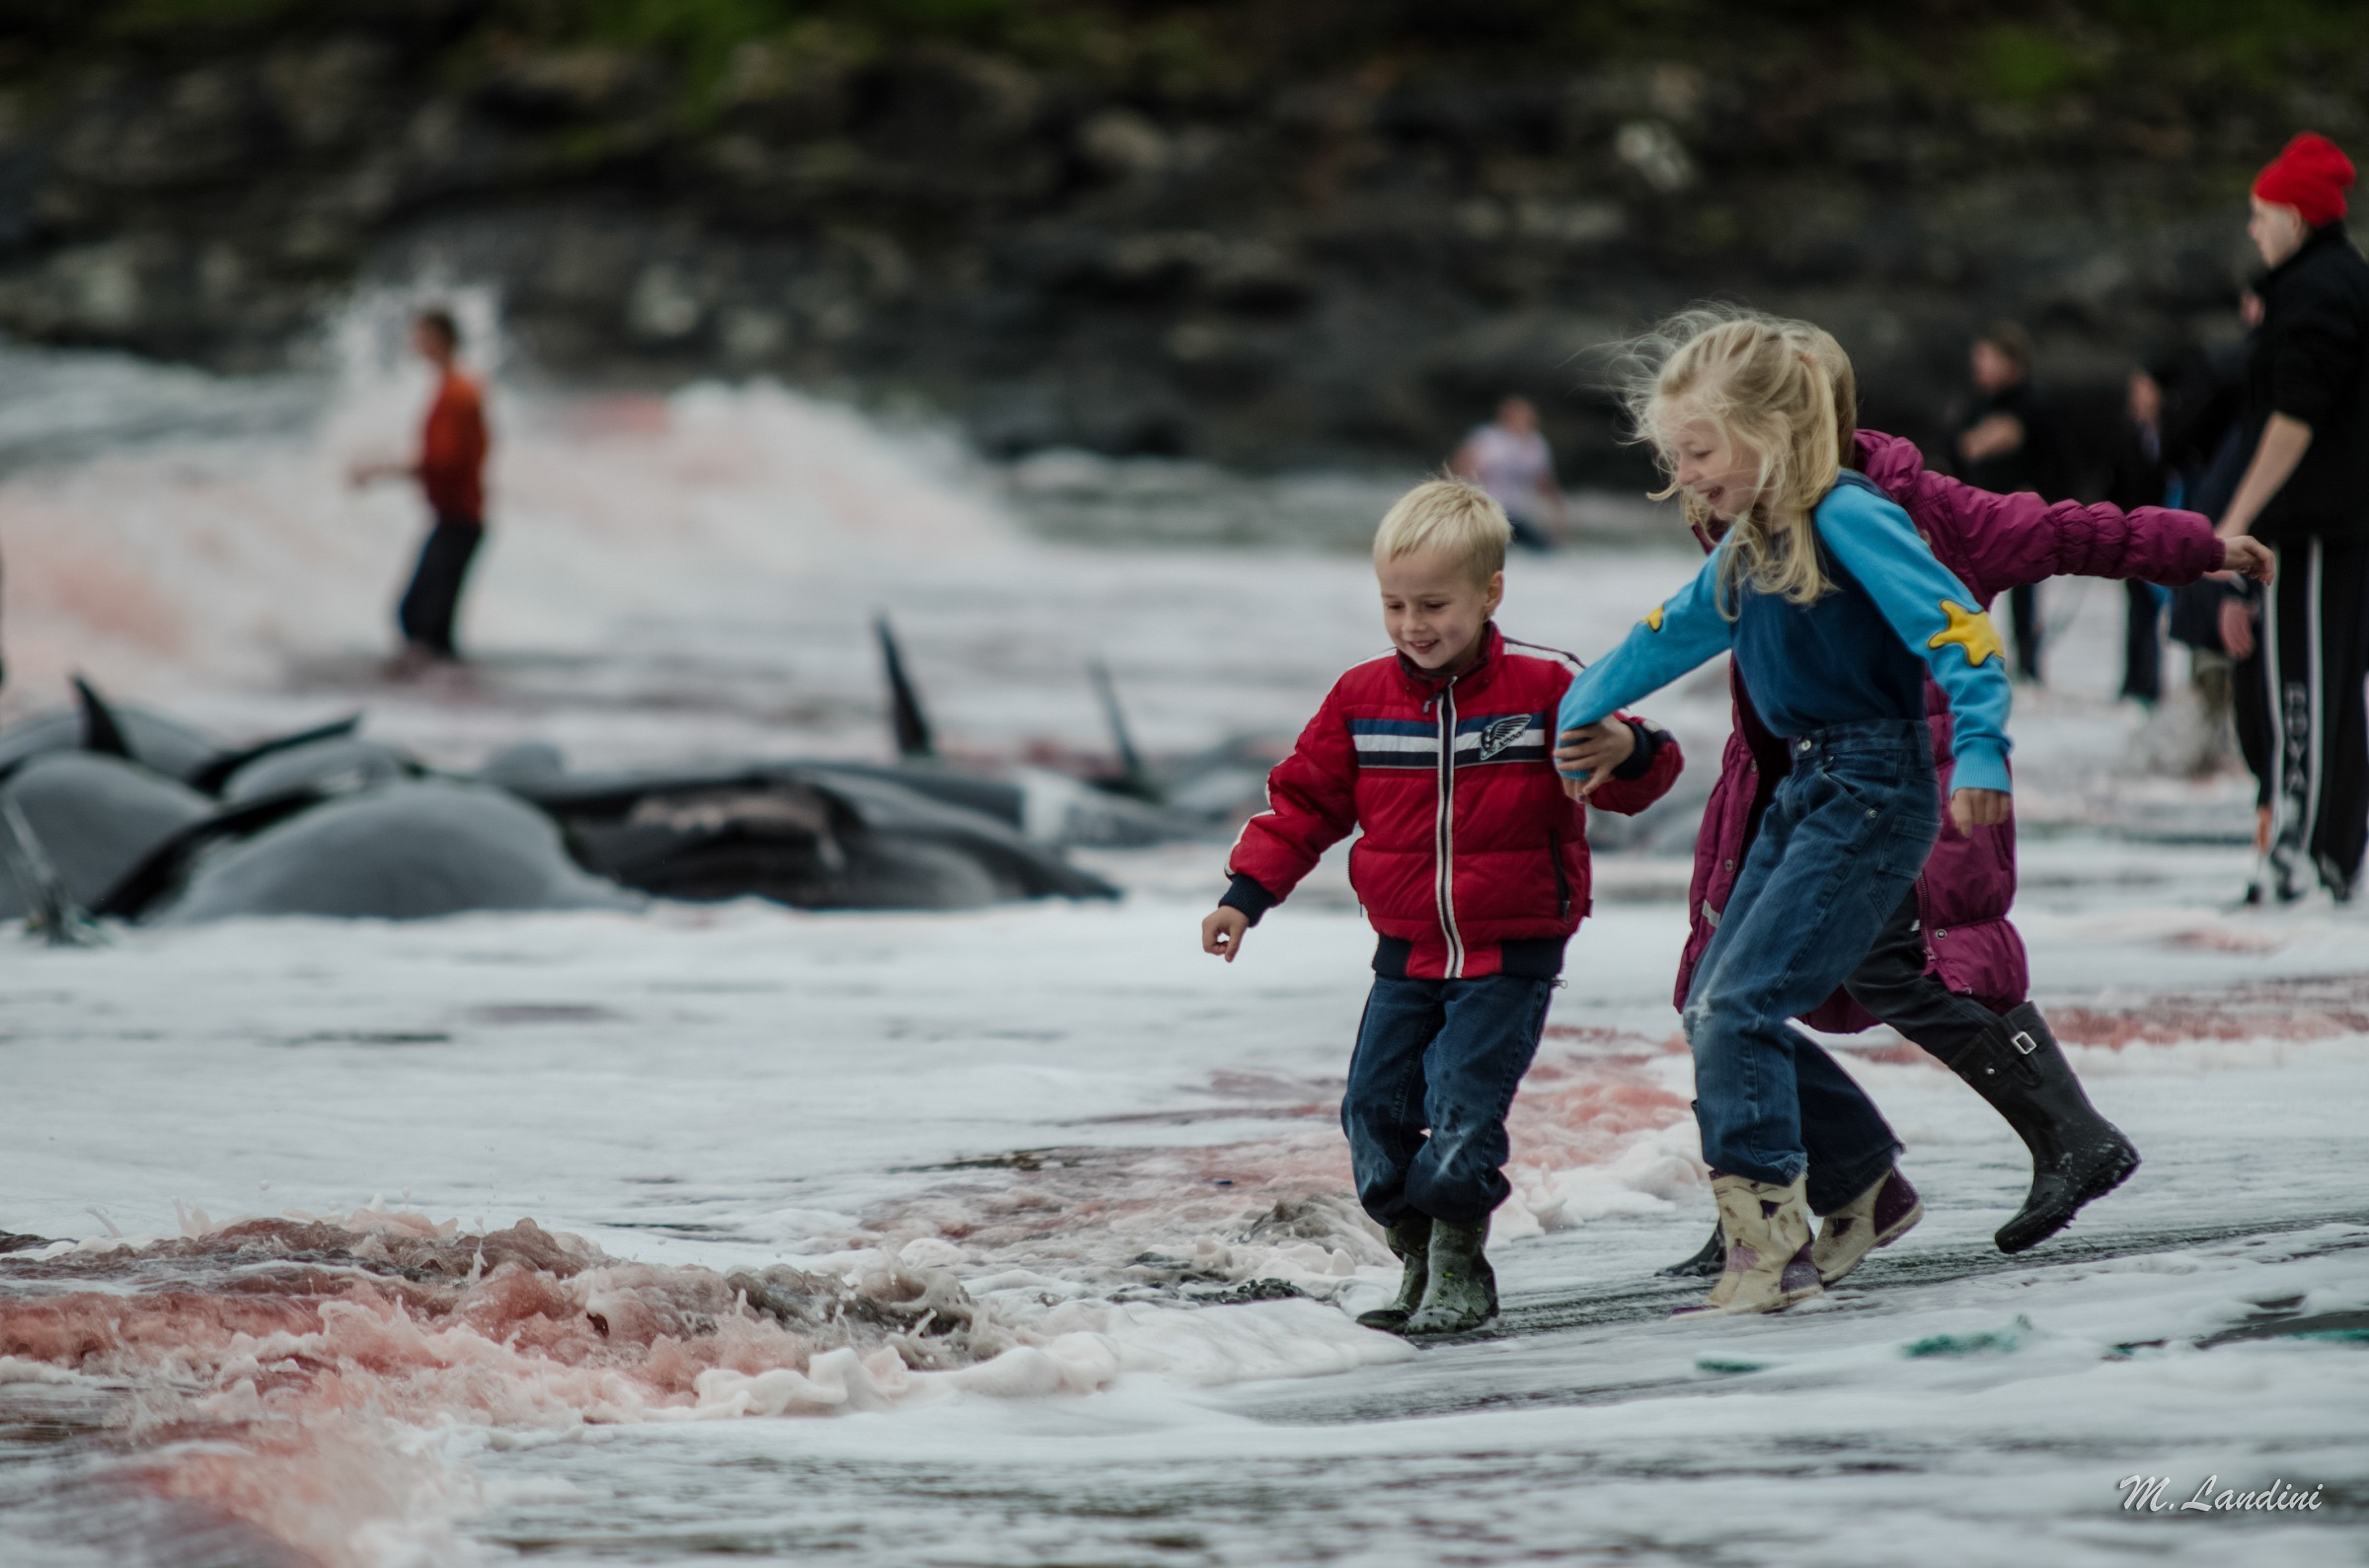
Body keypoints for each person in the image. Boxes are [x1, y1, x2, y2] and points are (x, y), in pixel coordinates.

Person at [1648, 332, 2274, 1287]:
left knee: (1882, 963)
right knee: (1725, 982)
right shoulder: (1743, 515)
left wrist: (2193, 546)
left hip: (1903, 782)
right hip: (1783, 785)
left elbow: (2070, 531)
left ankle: (2040, 1141)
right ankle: (1800, 1183)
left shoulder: (1919, 511)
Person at [1555, 307, 2017, 1317]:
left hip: (1873, 786)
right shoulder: (1753, 537)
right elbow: (1673, 627)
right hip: (1808, 786)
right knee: (1710, 1002)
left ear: (1770, 430)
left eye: (1701, 451)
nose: (1686, 477)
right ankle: (1863, 1183)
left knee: (1736, 1007)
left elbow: (1960, 630)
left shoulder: (1846, 515)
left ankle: (1768, 1246)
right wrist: (1581, 704)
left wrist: (1983, 746)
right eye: (1675, 457)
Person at [1199, 478, 1683, 1336]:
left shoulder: (1548, 684)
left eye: (1434, 603)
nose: (1413, 624)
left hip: (1513, 949)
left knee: (1464, 1106)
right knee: (1372, 1110)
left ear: (1491, 592)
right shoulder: (1360, 699)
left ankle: (1461, 1262)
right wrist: (1246, 895)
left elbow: (1635, 782)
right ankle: (1416, 1253)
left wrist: (1630, 747)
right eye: (1394, 604)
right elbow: (1304, 805)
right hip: (1407, 949)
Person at [2213, 132, 2369, 905]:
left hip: (2310, 528)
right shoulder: (2333, 281)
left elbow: (2294, 417)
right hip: (2337, 524)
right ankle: (2334, 857)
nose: (2253, 229)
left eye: (2261, 213)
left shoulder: (2316, 290)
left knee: (2296, 691)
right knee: (2333, 688)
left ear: (2298, 218)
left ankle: (2295, 861)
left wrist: (2233, 521)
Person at [349, 308, 491, 675]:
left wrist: (379, 470)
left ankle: (438, 707)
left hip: (460, 518)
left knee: (418, 620)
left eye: (421, 336)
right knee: (430, 625)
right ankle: (446, 706)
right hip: (457, 517)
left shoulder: (458, 393)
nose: (414, 345)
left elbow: (444, 461)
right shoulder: (457, 388)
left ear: (440, 340)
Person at [1953, 321, 2071, 682]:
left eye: (1987, 359)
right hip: (1977, 513)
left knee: (2024, 591)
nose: (1980, 368)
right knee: (1967, 589)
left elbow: (2060, 460)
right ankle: (1971, 659)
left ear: (2012, 363)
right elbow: (1957, 452)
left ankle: (2028, 664)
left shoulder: (2035, 404)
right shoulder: (1976, 405)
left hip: (2024, 514)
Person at [2106, 367, 2176, 704]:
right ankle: (2135, 680)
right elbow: (2115, 486)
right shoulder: (2126, 436)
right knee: (2137, 608)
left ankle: (2150, 680)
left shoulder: (2176, 436)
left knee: (2155, 607)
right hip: (2132, 533)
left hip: (2166, 534)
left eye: (2144, 389)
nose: (2137, 398)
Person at [1451, 397, 1567, 550]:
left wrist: (1559, 515)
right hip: (1484, 511)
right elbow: (1459, 470)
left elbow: (1544, 482)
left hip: (1514, 514)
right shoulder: (1487, 439)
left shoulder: (1536, 444)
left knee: (1545, 549)